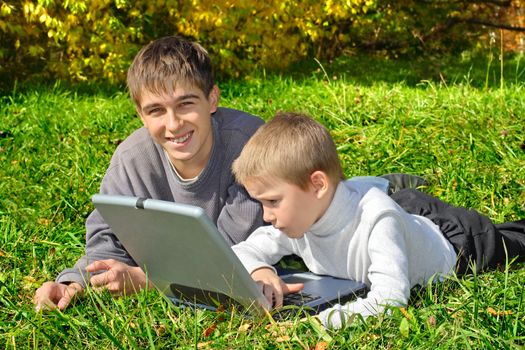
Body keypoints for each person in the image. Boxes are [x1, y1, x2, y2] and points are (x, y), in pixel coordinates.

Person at [33, 36, 266, 311]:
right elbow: (107, 240)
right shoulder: (132, 159)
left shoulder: (251, 146)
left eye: (185, 104)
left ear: (212, 99)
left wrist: (149, 281)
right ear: (141, 115)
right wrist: (74, 283)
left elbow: (230, 259)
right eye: (156, 110)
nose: (173, 124)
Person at [231, 112, 525, 329]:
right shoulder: (296, 219)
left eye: (272, 201)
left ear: (318, 185)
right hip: (397, 213)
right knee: (399, 203)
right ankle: (390, 186)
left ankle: (395, 190)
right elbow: (242, 250)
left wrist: (315, 324)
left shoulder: (377, 220)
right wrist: (259, 270)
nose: (266, 216)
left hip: (453, 240)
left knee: (512, 240)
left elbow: (391, 298)